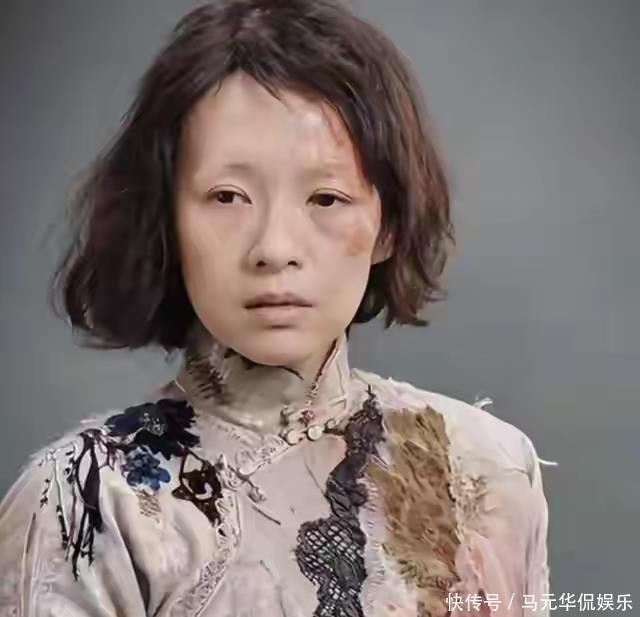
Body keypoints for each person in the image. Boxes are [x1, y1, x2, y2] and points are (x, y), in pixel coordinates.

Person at [0, 0, 550, 615]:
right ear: (166, 220)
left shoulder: (486, 468)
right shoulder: (89, 500)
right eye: (227, 196)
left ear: (388, 224)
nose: (274, 248)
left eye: (326, 198)